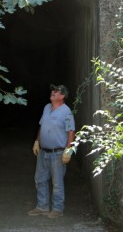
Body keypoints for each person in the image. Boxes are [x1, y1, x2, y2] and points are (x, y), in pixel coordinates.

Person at [28, 84, 75, 219]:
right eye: (52, 90)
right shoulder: (47, 108)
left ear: (62, 96)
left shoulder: (66, 112)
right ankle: (42, 207)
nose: (53, 92)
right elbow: (42, 126)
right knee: (40, 179)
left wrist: (68, 150)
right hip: (43, 152)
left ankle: (57, 209)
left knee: (57, 183)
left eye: (56, 91)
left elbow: (71, 132)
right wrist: (37, 141)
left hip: (58, 153)